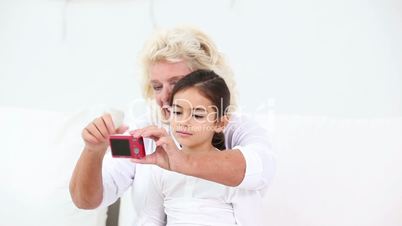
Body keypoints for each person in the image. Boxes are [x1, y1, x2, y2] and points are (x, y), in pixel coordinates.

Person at [69, 26, 275, 224]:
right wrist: (93, 151)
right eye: (157, 86)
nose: (165, 96)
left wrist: (182, 162)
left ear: (207, 80)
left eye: (177, 83)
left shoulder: (234, 128)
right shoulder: (143, 131)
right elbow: (87, 200)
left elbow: (260, 168)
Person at [134, 69, 265, 226]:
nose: (184, 121)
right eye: (177, 112)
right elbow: (150, 220)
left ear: (220, 123)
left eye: (197, 115)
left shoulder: (230, 174)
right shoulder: (160, 169)